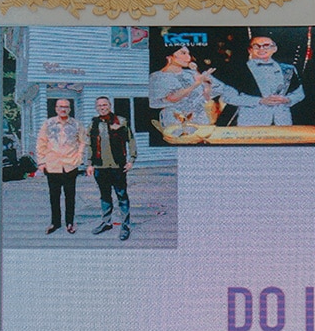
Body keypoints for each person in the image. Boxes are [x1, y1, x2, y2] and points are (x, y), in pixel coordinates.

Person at [217, 35, 305, 126]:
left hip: (283, 122)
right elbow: (229, 97)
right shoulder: (237, 70)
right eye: (256, 46)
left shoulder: (288, 69)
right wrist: (260, 101)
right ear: (250, 50)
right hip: (250, 123)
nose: (261, 49)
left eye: (266, 46)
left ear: (274, 49)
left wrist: (287, 99)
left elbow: (299, 94)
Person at [86, 96, 137, 241]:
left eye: (105, 105)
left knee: (122, 196)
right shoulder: (93, 123)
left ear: (110, 105)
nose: (102, 108)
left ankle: (125, 226)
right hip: (100, 166)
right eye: (99, 105)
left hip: (117, 166)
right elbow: (90, 145)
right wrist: (89, 164)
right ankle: (106, 222)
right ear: (96, 108)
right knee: (105, 196)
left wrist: (131, 160)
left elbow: (131, 140)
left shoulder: (121, 121)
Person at [35, 98, 85, 235]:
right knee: (54, 196)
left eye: (66, 107)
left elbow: (83, 141)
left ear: (70, 109)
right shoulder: (48, 124)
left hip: (70, 165)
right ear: (56, 109)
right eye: (60, 107)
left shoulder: (77, 124)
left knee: (70, 196)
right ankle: (55, 223)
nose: (63, 109)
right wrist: (41, 162)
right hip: (52, 165)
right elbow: (41, 143)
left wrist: (79, 157)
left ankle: (70, 222)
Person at [148, 44, 221, 130]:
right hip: (175, 121)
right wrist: (195, 84)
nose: (188, 58)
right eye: (183, 53)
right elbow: (172, 98)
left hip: (200, 120)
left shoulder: (191, 73)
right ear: (169, 56)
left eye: (188, 54)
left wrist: (206, 83)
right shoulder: (158, 77)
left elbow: (206, 98)